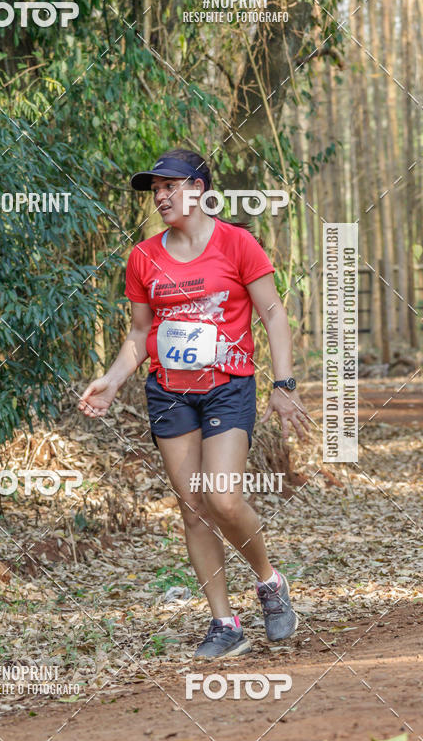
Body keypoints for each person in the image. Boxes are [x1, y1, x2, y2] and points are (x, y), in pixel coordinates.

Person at [79, 149, 310, 658]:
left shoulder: (238, 243)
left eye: (170, 185)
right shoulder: (143, 257)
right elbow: (141, 334)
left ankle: (270, 583)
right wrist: (114, 380)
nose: (161, 196)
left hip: (228, 386)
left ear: (200, 189)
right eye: (155, 189)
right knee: (193, 510)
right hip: (169, 392)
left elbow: (272, 313)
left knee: (222, 498)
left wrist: (284, 383)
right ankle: (224, 624)